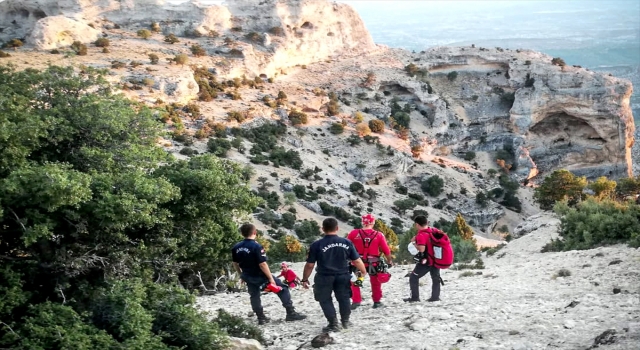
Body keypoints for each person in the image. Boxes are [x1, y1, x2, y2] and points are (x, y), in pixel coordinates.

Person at [231, 223, 307, 325]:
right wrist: (270, 278)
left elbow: (235, 263)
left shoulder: (236, 247)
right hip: (260, 276)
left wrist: (241, 275)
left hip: (248, 276)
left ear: (242, 233)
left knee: (254, 295)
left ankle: (261, 318)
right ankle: (291, 313)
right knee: (283, 289)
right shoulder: (256, 246)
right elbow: (262, 264)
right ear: (255, 232)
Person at [302, 218, 367, 332]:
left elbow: (310, 265)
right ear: (337, 228)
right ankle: (345, 321)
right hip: (343, 275)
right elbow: (356, 260)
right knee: (344, 298)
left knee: (325, 300)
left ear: (323, 229)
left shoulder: (316, 245)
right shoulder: (346, 242)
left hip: (324, 277)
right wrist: (363, 271)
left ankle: (333, 324)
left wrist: (305, 279)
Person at [346, 214, 393, 309]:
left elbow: (346, 247)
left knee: (356, 281)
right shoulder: (379, 235)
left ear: (362, 222)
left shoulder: (353, 233)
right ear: (373, 222)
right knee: (375, 282)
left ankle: (356, 301)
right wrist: (389, 261)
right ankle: (377, 301)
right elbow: (386, 250)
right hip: (373, 263)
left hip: (357, 263)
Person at [404, 215, 442, 303]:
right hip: (436, 259)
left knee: (413, 277)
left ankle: (415, 298)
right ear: (427, 223)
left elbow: (421, 249)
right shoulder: (434, 231)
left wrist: (413, 242)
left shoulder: (421, 235)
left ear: (417, 224)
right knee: (435, 277)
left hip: (426, 261)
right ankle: (435, 297)